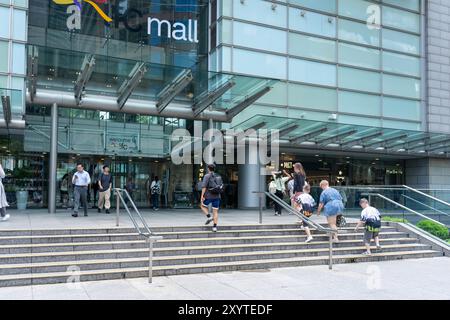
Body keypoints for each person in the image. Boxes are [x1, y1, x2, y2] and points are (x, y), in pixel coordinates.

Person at [200, 164, 223, 232]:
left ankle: (209, 217)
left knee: (202, 206)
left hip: (209, 196)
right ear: (214, 169)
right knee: (215, 212)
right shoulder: (218, 176)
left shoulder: (207, 176)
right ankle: (214, 227)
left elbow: (204, 186)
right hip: (217, 196)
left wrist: (202, 196)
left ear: (208, 169)